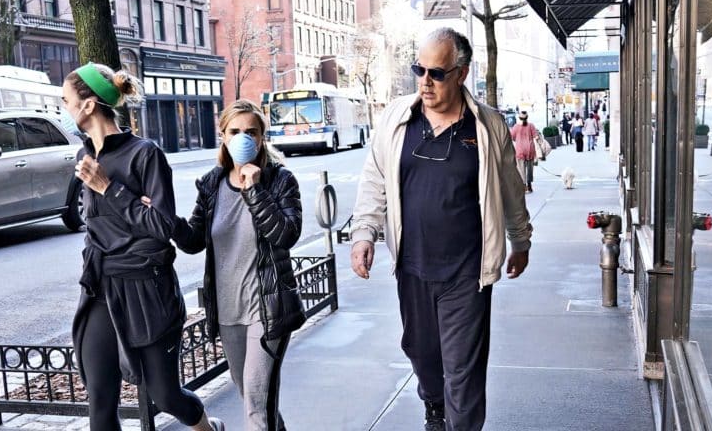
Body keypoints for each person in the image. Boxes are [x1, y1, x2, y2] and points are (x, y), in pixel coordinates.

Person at [349, 27, 533, 431]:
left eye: (437, 72)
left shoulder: (487, 126)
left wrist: (520, 240)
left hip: (466, 274)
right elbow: (374, 179)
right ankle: (434, 403)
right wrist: (364, 232)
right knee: (423, 354)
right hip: (412, 267)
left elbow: (510, 189)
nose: (425, 81)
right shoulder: (398, 117)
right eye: (419, 69)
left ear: (461, 73)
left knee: (463, 374)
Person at [67, 62, 224, 431]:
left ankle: (206, 427)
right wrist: (130, 208)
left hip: (148, 289)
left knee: (165, 395)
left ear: (88, 105)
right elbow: (98, 225)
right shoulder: (85, 158)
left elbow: (160, 226)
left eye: (67, 100)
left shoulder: (145, 154)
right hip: (102, 288)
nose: (65, 107)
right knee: (100, 402)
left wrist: (112, 190)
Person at [170, 99, 305, 431]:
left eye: (251, 132)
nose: (243, 138)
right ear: (223, 135)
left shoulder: (280, 181)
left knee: (257, 407)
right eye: (235, 131)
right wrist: (165, 219)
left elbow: (286, 235)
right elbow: (193, 241)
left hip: (268, 310)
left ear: (262, 138)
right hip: (228, 311)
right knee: (253, 397)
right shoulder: (212, 185)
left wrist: (255, 190)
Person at [510, 111, 538, 193]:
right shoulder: (531, 126)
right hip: (530, 149)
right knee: (530, 169)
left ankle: (524, 185)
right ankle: (529, 185)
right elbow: (536, 136)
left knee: (521, 169)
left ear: (519, 118)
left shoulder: (516, 127)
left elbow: (512, 137)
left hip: (520, 150)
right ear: (527, 117)